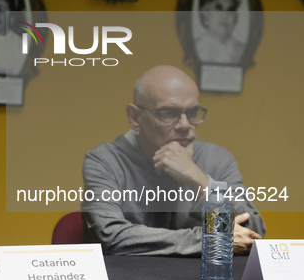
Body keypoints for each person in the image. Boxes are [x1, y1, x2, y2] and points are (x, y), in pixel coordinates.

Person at [81, 65, 265, 256]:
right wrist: (211, 239)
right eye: (168, 113)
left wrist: (199, 180)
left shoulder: (218, 159)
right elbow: (111, 238)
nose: (185, 125)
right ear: (135, 117)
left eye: (192, 112)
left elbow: (253, 233)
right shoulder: (105, 161)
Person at [195, 0, 246, 64]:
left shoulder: (243, 51)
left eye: (230, 9)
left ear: (236, 17)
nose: (225, 15)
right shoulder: (195, 48)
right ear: (205, 11)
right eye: (218, 7)